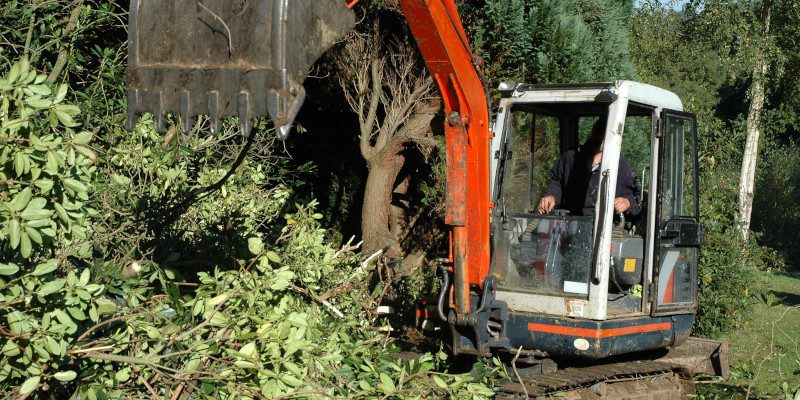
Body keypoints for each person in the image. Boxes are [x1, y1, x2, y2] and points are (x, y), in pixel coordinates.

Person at [537, 118, 641, 217]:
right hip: (569, 223)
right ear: (593, 132)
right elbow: (557, 182)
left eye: (605, 133)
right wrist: (552, 196)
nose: (600, 137)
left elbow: (637, 199)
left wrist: (627, 202)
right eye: (598, 132)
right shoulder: (570, 158)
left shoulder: (620, 165)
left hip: (603, 229)